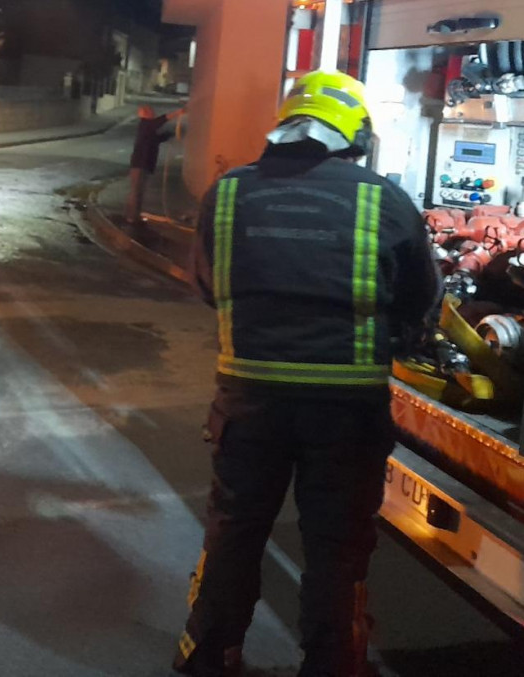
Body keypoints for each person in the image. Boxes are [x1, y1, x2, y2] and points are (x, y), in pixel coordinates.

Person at [172, 70, 441, 677]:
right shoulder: (385, 200)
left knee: (235, 532)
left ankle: (208, 655)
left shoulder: (227, 193)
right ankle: (330, 665)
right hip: (345, 413)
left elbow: (209, 287)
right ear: (354, 134)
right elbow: (419, 307)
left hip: (249, 403)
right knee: (335, 551)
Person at [126, 103, 187, 223]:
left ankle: (134, 215)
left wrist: (172, 134)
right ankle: (131, 217)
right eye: (150, 112)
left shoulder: (148, 128)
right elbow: (160, 121)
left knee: (139, 191)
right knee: (136, 192)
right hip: (140, 164)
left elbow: (156, 139)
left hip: (143, 164)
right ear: (145, 114)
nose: (153, 113)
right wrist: (177, 112)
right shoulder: (145, 124)